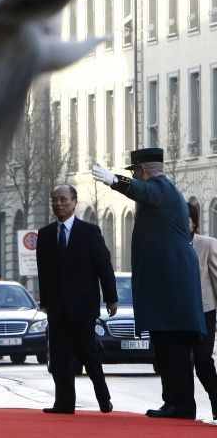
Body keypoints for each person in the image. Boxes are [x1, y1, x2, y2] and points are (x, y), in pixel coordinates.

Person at [93, 148, 205, 419]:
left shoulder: (161, 188)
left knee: (174, 350)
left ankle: (181, 405)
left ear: (142, 170)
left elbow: (143, 192)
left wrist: (114, 180)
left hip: (171, 288)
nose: (136, 177)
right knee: (166, 349)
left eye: (135, 172)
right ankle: (175, 403)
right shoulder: (162, 191)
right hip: (166, 287)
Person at [37, 184, 118, 414]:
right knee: (59, 357)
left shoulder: (89, 231)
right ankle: (63, 403)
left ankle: (103, 397)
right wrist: (45, 302)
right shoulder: (45, 235)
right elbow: (44, 272)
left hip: (83, 305)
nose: (58, 204)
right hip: (57, 306)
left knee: (87, 352)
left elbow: (104, 266)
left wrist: (111, 298)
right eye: (54, 200)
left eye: (63, 199)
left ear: (74, 202)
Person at [187, 202, 217, 420]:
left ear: (194, 222)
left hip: (204, 312)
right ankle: (184, 407)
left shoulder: (207, 244)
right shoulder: (169, 245)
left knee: (203, 361)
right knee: (179, 362)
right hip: (178, 313)